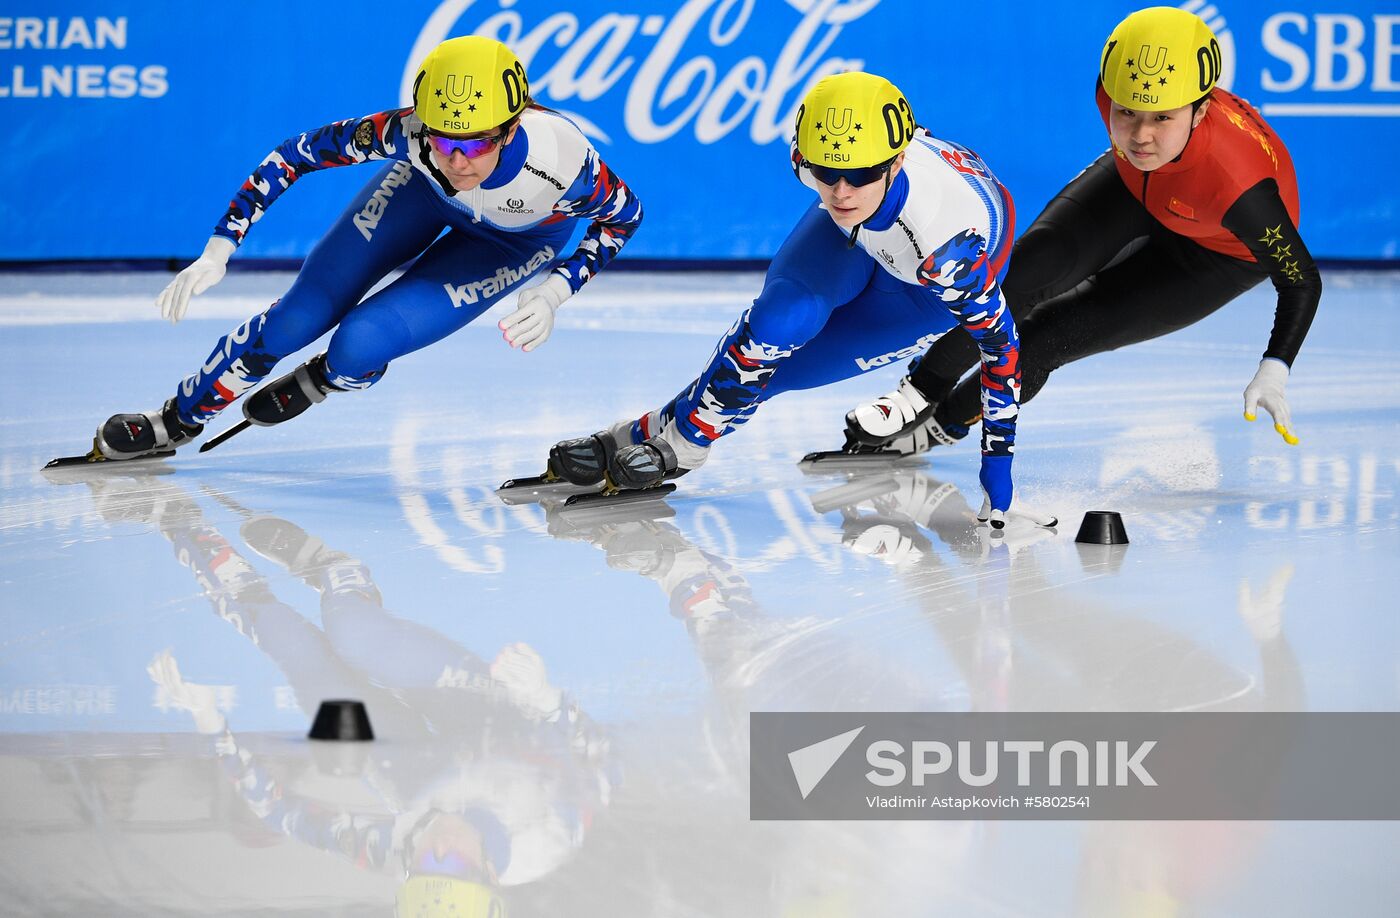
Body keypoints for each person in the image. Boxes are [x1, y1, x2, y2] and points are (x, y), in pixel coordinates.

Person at [86, 36, 641, 460]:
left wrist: (555, 292)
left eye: (474, 143)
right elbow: (293, 156)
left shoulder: (564, 162)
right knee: (293, 321)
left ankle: (331, 376)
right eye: (444, 140)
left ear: (511, 126)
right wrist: (219, 246)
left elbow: (624, 219)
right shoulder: (407, 133)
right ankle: (176, 420)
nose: (458, 160)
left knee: (357, 345)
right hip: (421, 197)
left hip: (517, 241)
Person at [546, 72, 1023, 523]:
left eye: (860, 175)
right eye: (826, 171)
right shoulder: (823, 160)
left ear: (897, 161)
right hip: (870, 234)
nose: (839, 191)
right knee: (777, 325)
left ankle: (658, 434)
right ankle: (674, 440)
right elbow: (844, 178)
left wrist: (996, 474)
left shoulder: (948, 250)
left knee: (779, 374)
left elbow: (1002, 348)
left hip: (924, 287)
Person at [845, 6, 1320, 455]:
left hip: (1216, 255)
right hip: (1138, 186)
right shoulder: (1117, 101)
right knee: (1022, 276)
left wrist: (1274, 367)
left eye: (1162, 118)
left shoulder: (1241, 186)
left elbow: (1301, 280)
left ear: (1200, 111)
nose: (1140, 135)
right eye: (1127, 111)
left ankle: (942, 425)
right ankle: (916, 394)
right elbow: (1140, 134)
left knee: (1047, 338)